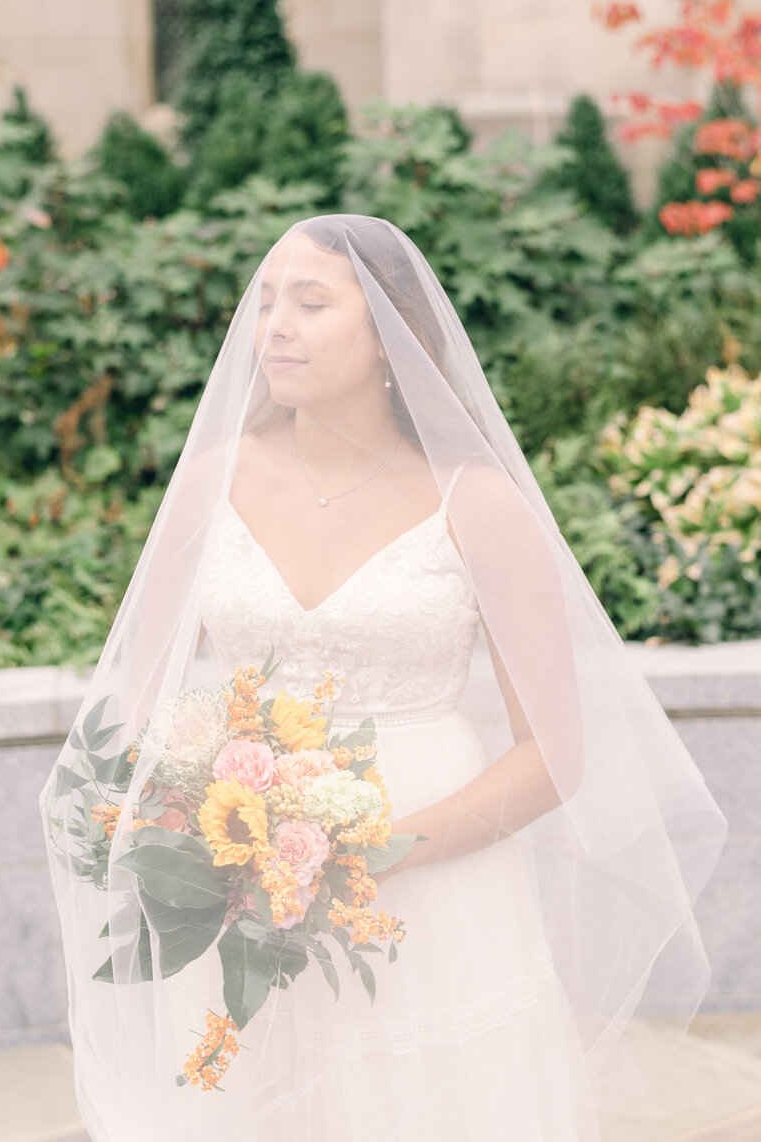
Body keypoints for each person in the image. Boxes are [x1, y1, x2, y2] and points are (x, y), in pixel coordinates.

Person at [40, 213, 727, 1142]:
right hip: (243, 883)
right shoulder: (212, 482)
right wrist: (187, 823)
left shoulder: (477, 503)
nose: (274, 323)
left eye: (311, 302)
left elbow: (556, 755)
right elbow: (137, 703)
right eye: (268, 298)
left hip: (434, 890)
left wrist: (372, 853)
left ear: (390, 337)